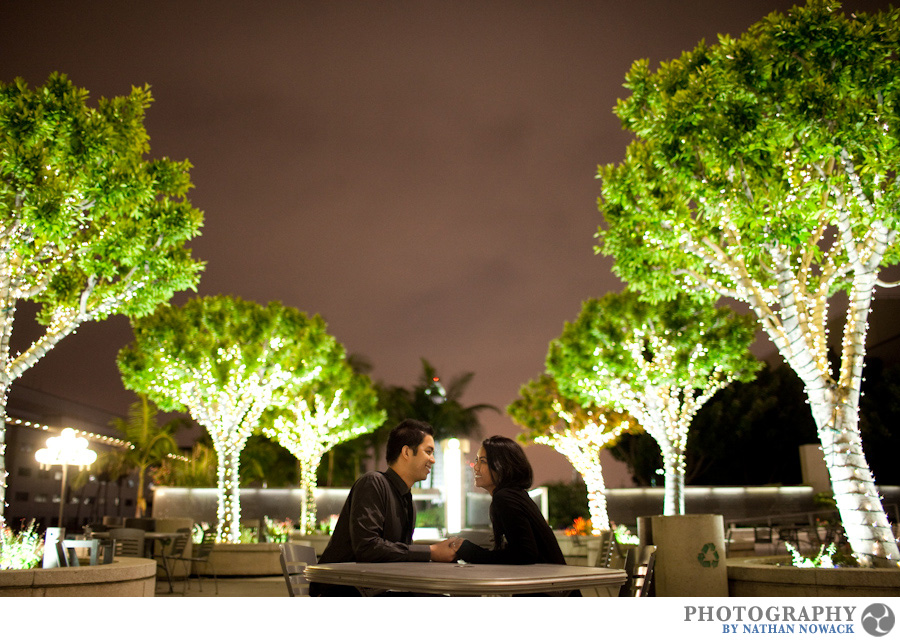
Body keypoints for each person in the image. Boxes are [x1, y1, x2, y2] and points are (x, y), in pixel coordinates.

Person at [310, 419, 457, 596]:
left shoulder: (406, 499)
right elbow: (367, 547)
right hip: (341, 591)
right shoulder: (373, 483)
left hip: (373, 589)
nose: (432, 460)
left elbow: (397, 556)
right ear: (407, 452)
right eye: (428, 452)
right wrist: (430, 552)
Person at [451, 435, 572, 584]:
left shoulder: (505, 498)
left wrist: (468, 550)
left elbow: (525, 554)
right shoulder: (515, 495)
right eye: (477, 460)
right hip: (551, 586)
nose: (476, 467)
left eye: (483, 461)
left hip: (547, 591)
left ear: (502, 466)